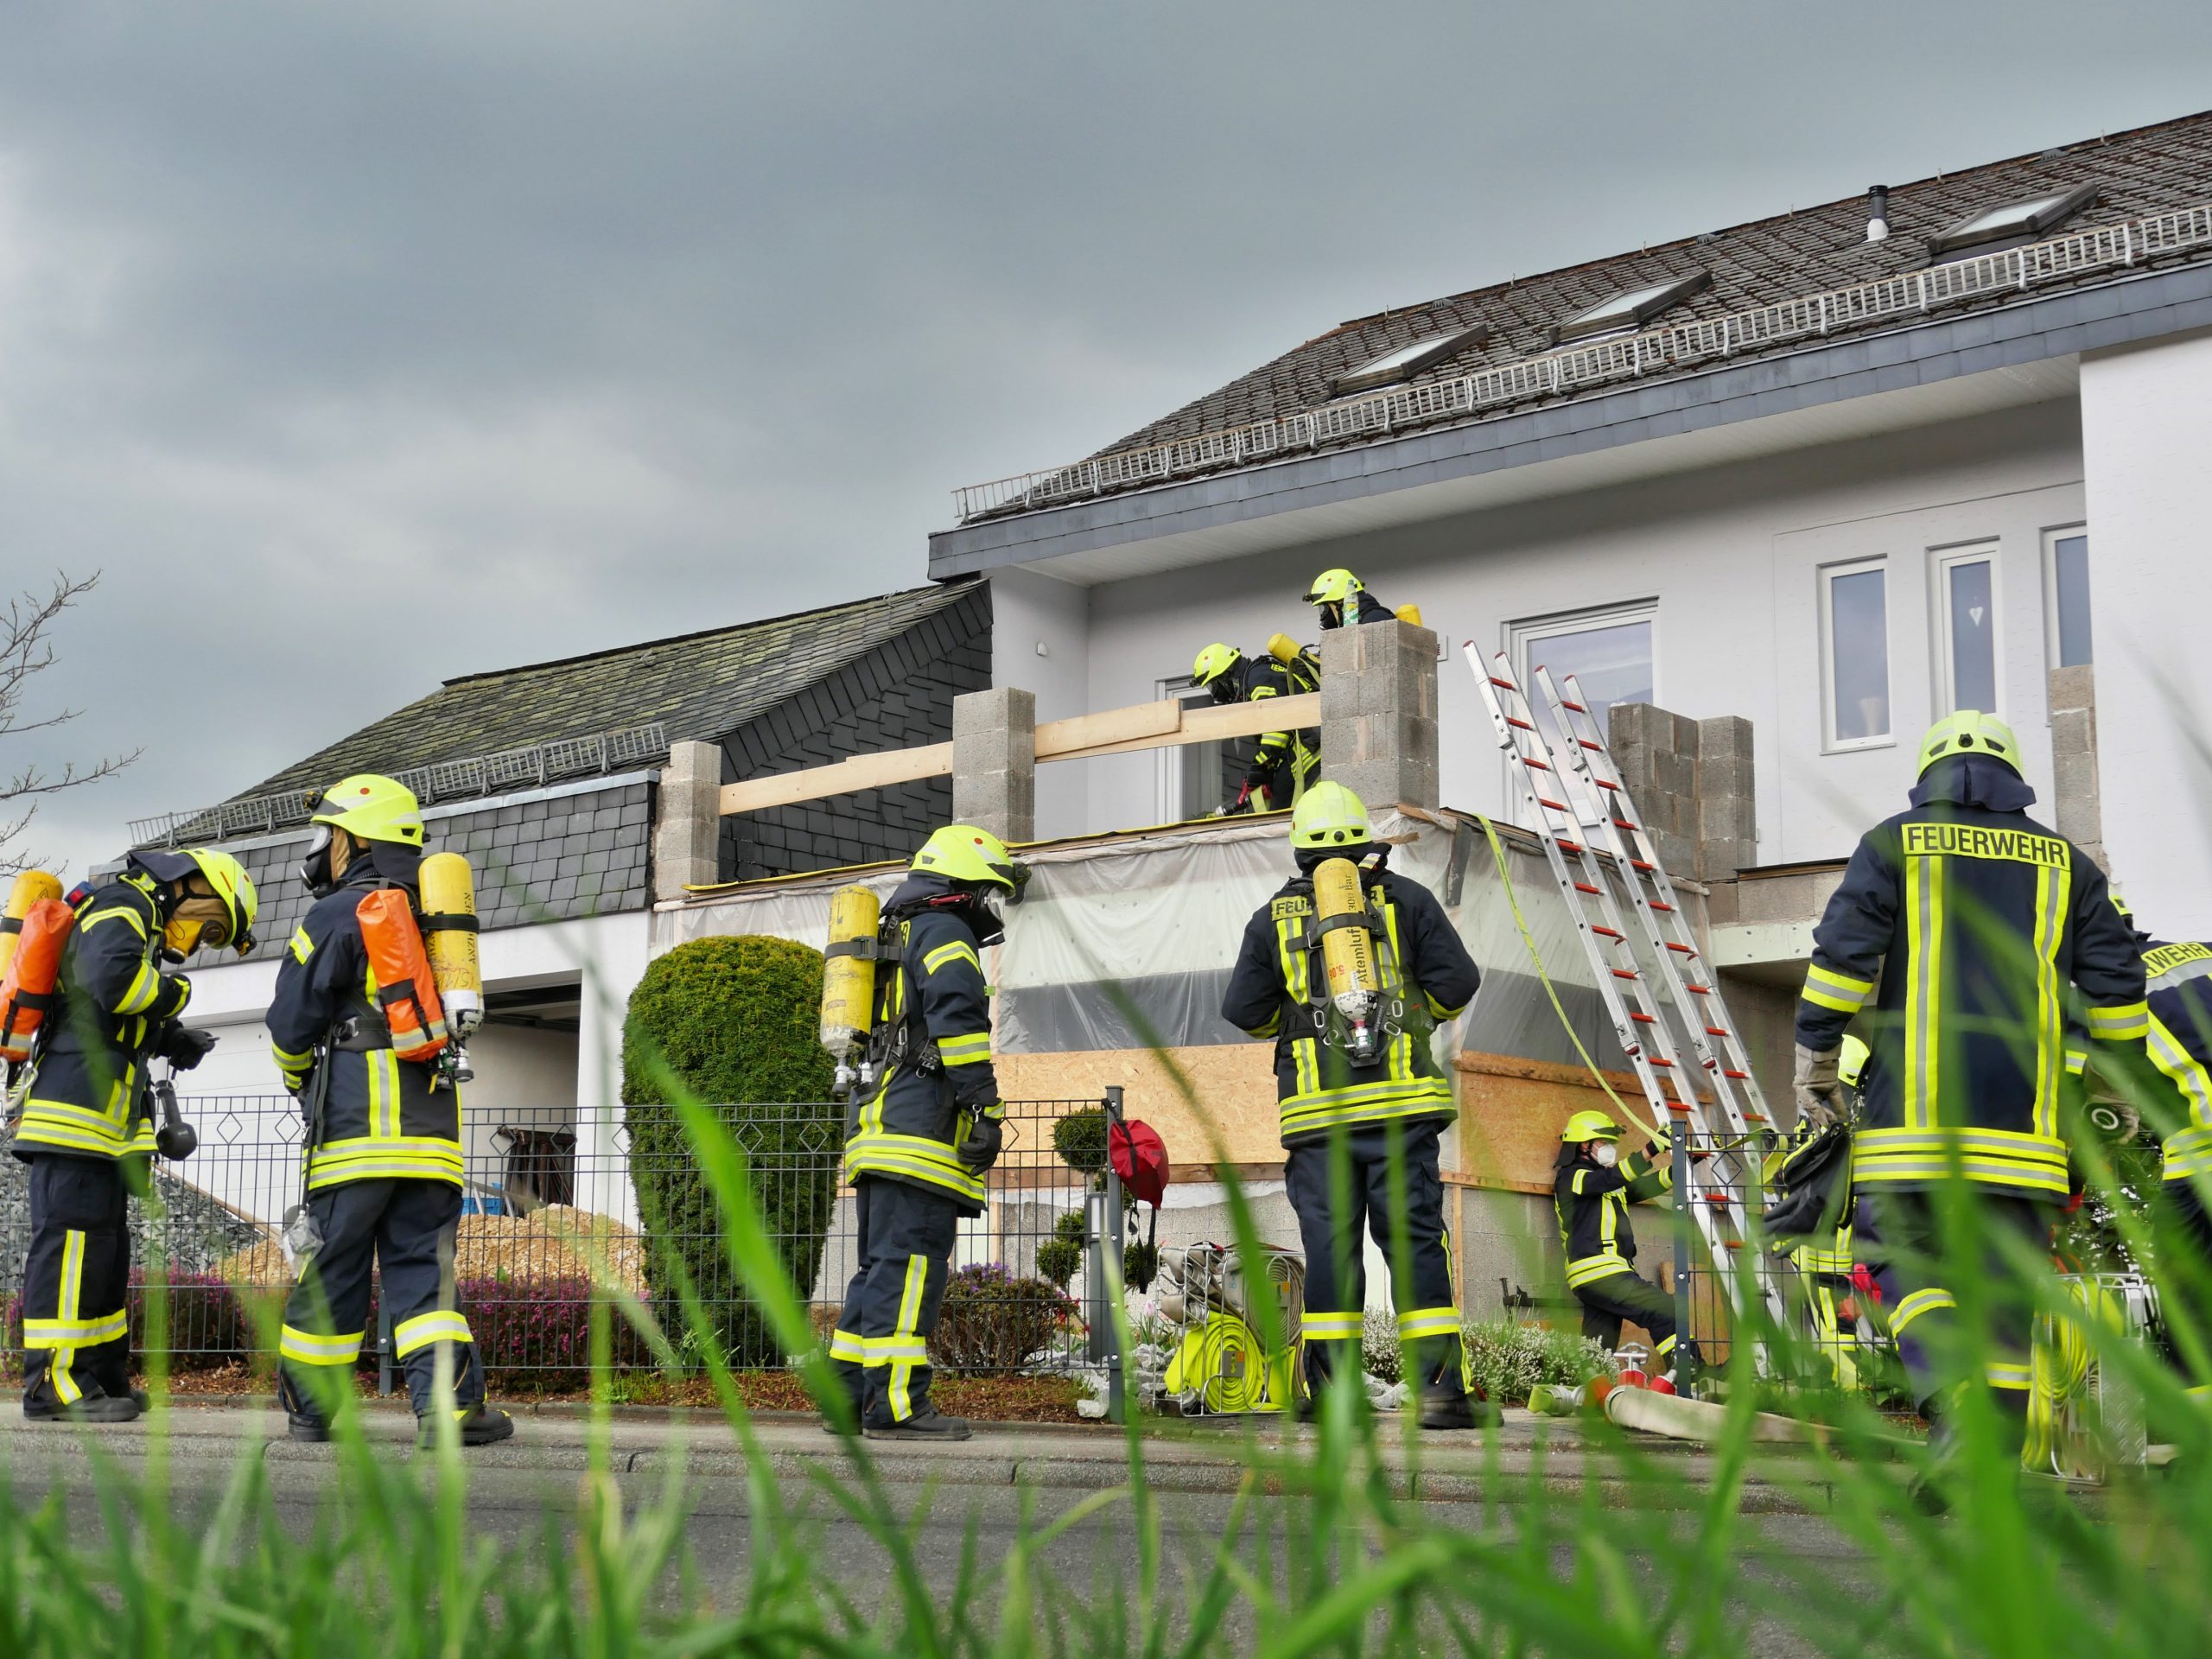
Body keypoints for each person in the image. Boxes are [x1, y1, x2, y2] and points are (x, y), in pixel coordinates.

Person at [1794, 710, 2145, 1466]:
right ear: (2012, 777)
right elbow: (2118, 992)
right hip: (2028, 1136)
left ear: (1926, 773)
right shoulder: (2069, 865)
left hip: (1915, 1126)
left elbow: (1844, 959)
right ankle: (1993, 1460)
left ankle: (1954, 1403)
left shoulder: (1894, 841)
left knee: (1894, 1253)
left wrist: (1818, 1055)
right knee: (2007, 1293)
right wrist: (2114, 1093)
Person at [1220, 782, 1484, 1427]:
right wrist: (1413, 1018)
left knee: (1331, 1250)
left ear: (1300, 850)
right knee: (1417, 1243)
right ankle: (1441, 1393)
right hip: (1401, 1112)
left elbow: (1243, 1011)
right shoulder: (1407, 901)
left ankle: (1336, 1397)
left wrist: (1298, 1023)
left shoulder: (1270, 919)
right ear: (1367, 843)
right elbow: (1458, 982)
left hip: (1318, 1120)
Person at [268, 774, 513, 1446]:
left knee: (334, 1269)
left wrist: (301, 1082)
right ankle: (451, 1413)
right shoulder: (438, 920)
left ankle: (312, 1412)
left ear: (351, 837)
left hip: (354, 1140)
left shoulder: (337, 912)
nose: (320, 849)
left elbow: (290, 1024)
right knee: (423, 1277)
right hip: (432, 1139)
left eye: (326, 834)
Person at [14, 847, 257, 1421]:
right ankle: (53, 1387)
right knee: (73, 1251)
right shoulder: (124, 902)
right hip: (74, 1116)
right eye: (212, 925)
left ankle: (99, 1376)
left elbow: (104, 1013)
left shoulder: (137, 921)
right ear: (192, 885)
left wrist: (173, 1041)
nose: (200, 942)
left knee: (103, 1254)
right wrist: (178, 997)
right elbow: (110, 978)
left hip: (101, 1125)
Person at [829, 823, 1023, 1440]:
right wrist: (985, 1107)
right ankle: (896, 1406)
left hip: (879, 1124)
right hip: (918, 1129)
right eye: (985, 892)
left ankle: (848, 1400)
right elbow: (958, 1022)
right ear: (960, 886)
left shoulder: (893, 932)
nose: (988, 906)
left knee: (879, 1270)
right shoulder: (943, 932)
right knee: (911, 1268)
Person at [1554, 1111, 1690, 1374]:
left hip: (1600, 1275)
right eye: (1604, 1143)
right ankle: (1690, 1370)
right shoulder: (1571, 1176)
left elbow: (1643, 1186)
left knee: (1597, 1345)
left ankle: (1589, 1391)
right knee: (1663, 1308)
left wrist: (1683, 1167)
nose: (1610, 1149)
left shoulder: (1605, 1183)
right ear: (1584, 1145)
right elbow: (1613, 1177)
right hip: (1601, 1271)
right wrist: (1651, 1149)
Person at [1188, 643, 1320, 814]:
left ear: (1226, 676)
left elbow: (1276, 729)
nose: (1216, 695)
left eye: (1214, 686)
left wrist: (1259, 767)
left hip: (1309, 754)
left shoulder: (1258, 677)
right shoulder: (1258, 676)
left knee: (1279, 816)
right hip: (1303, 753)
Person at [1302, 569, 1398, 632]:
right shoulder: (1352, 625)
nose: (1324, 616)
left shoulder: (1375, 618)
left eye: (1325, 607)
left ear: (1339, 602)